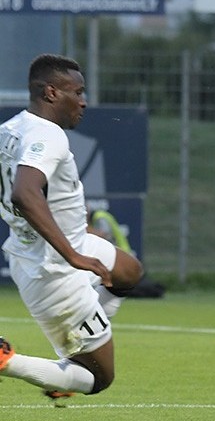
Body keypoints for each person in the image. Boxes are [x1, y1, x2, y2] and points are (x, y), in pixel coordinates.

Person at [0, 54, 145, 401]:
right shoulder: (48, 135)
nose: (83, 101)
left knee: (129, 272)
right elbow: (24, 193)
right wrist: (74, 256)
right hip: (52, 269)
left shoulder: (11, 128)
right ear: (51, 93)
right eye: (76, 92)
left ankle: (75, 351)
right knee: (98, 379)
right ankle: (7, 360)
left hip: (57, 247)